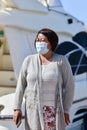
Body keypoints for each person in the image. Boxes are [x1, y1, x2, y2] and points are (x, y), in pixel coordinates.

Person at [13, 28, 74, 130]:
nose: (39, 43)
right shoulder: (29, 60)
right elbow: (20, 85)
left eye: (43, 41)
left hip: (53, 112)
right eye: (37, 40)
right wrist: (17, 108)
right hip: (33, 111)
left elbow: (70, 86)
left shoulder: (61, 61)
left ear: (51, 43)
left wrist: (66, 110)